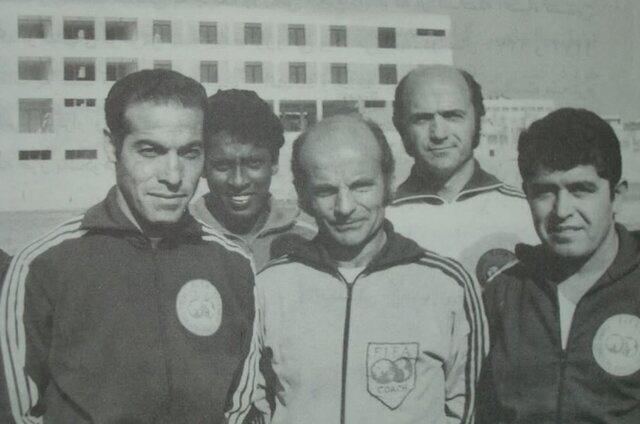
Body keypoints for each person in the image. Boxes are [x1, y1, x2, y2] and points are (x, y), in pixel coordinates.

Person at [0, 69, 255, 423]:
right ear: (112, 147)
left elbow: (240, 405)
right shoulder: (42, 264)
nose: (173, 176)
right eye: (150, 151)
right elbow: (15, 412)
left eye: (189, 153)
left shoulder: (234, 263)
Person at [226, 115, 487, 424]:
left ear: (389, 183)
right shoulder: (269, 288)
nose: (345, 207)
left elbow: (469, 410)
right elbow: (250, 407)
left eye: (361, 186)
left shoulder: (447, 286)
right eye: (325, 191)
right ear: (303, 195)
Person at [477, 108, 640, 423]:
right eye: (544, 192)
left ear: (617, 196)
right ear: (527, 196)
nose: (562, 210)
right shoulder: (504, 295)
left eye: (581, 189)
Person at [386, 65, 537, 286]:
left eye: (453, 116)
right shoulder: (382, 221)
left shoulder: (526, 212)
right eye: (422, 119)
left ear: (478, 120)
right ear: (401, 128)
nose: (439, 133)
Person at [190, 89, 315, 269]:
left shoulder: (308, 235)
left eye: (253, 163)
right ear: (203, 166)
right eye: (222, 165)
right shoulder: (178, 238)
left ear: (274, 163)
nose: (238, 181)